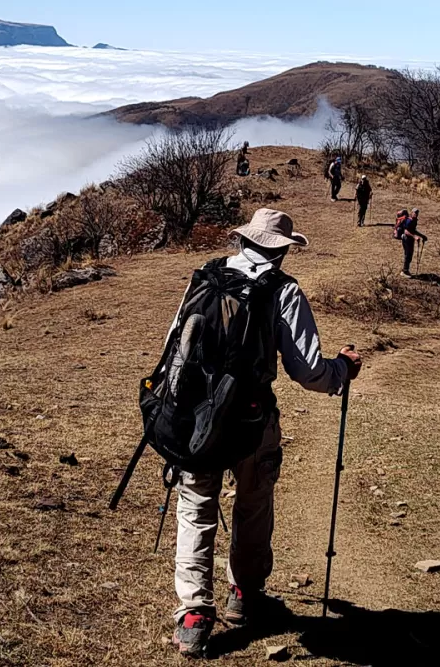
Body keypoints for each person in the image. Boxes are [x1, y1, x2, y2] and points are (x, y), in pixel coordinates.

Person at [169, 208, 362, 657]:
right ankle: (242, 594)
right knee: (253, 505)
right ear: (282, 251)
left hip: (195, 419)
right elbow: (309, 371)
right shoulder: (283, 290)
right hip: (253, 420)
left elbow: (174, 343)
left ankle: (194, 616)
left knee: (195, 508)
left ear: (244, 241)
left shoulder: (207, 277)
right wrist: (342, 369)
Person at [400, 207, 427, 277]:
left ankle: (406, 270)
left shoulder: (414, 221)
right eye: (414, 213)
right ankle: (404, 272)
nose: (416, 214)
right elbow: (406, 231)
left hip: (410, 239)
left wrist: (422, 236)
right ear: (411, 213)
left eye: (417, 213)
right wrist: (414, 237)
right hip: (406, 239)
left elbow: (413, 230)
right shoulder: (409, 220)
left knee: (409, 255)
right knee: (408, 254)